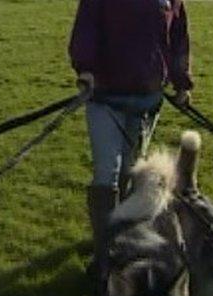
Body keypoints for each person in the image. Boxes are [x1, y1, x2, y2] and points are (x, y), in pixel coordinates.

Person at [68, 0, 193, 276]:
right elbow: (86, 27)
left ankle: (124, 243)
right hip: (105, 98)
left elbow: (177, 37)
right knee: (107, 173)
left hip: (147, 101)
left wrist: (181, 81)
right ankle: (105, 256)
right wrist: (86, 69)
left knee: (130, 169)